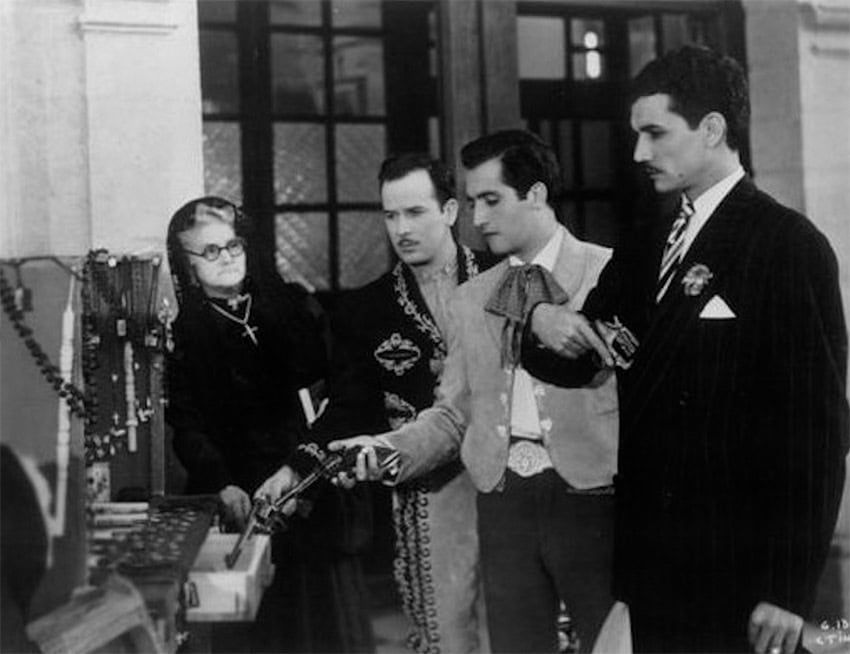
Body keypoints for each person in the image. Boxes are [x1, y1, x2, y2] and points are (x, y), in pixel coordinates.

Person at [522, 45, 849, 654]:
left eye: (654, 133)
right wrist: (540, 321)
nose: (640, 153)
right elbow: (576, 354)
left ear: (712, 129)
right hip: (652, 564)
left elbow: (818, 432)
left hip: (742, 571)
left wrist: (787, 586)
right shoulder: (649, 241)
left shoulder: (787, 244)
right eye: (636, 135)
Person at [330, 130, 619, 653]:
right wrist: (386, 449)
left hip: (593, 499)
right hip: (503, 503)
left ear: (534, 195)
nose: (478, 218)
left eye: (491, 200)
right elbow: (452, 413)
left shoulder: (609, 271)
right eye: (471, 203)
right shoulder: (473, 298)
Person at [164, 196, 374, 653]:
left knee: (322, 627)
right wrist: (221, 483)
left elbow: (342, 391)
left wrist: (299, 467)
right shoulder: (184, 335)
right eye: (210, 251)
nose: (226, 258)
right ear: (186, 262)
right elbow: (187, 424)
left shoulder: (297, 308)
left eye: (233, 244)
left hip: (310, 482)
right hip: (243, 500)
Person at [313, 153, 492, 654]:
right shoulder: (365, 308)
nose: (401, 229)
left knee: (514, 627)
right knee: (448, 633)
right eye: (390, 215)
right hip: (427, 491)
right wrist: (309, 457)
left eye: (415, 212)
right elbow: (350, 405)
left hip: (506, 486)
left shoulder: (502, 279)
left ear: (451, 211)